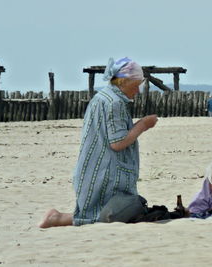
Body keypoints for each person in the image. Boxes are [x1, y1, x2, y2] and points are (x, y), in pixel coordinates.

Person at [39, 57, 158, 228]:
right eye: (135, 85)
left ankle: (58, 218)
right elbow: (117, 142)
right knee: (122, 210)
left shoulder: (103, 97)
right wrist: (143, 125)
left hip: (94, 169)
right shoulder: (114, 103)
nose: (138, 91)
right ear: (124, 81)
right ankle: (56, 218)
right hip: (106, 173)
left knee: (99, 211)